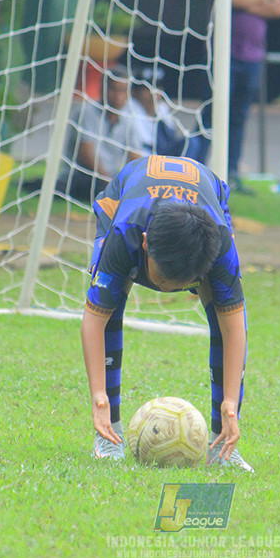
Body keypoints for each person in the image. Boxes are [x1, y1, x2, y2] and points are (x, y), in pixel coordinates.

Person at [83, 155, 253, 472]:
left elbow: (235, 330)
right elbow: (93, 322)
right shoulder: (125, 234)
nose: (164, 290)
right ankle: (109, 437)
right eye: (161, 279)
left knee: (223, 310)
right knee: (109, 300)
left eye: (180, 284)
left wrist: (230, 404)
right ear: (145, 245)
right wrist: (98, 397)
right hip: (123, 196)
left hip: (209, 193)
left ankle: (222, 448)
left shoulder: (218, 247)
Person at [204, 0, 280, 194]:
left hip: (253, 58)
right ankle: (196, 169)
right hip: (225, 57)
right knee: (211, 115)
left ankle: (231, 174)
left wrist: (246, 0)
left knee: (238, 117)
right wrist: (258, 0)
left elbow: (278, 8)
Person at [56, 65, 146, 203]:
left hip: (110, 177)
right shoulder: (86, 113)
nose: (118, 96)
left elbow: (134, 156)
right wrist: (109, 181)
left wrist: (142, 179)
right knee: (108, 194)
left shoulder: (128, 120)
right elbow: (85, 155)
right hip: (84, 176)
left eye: (123, 91)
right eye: (114, 90)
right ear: (102, 89)